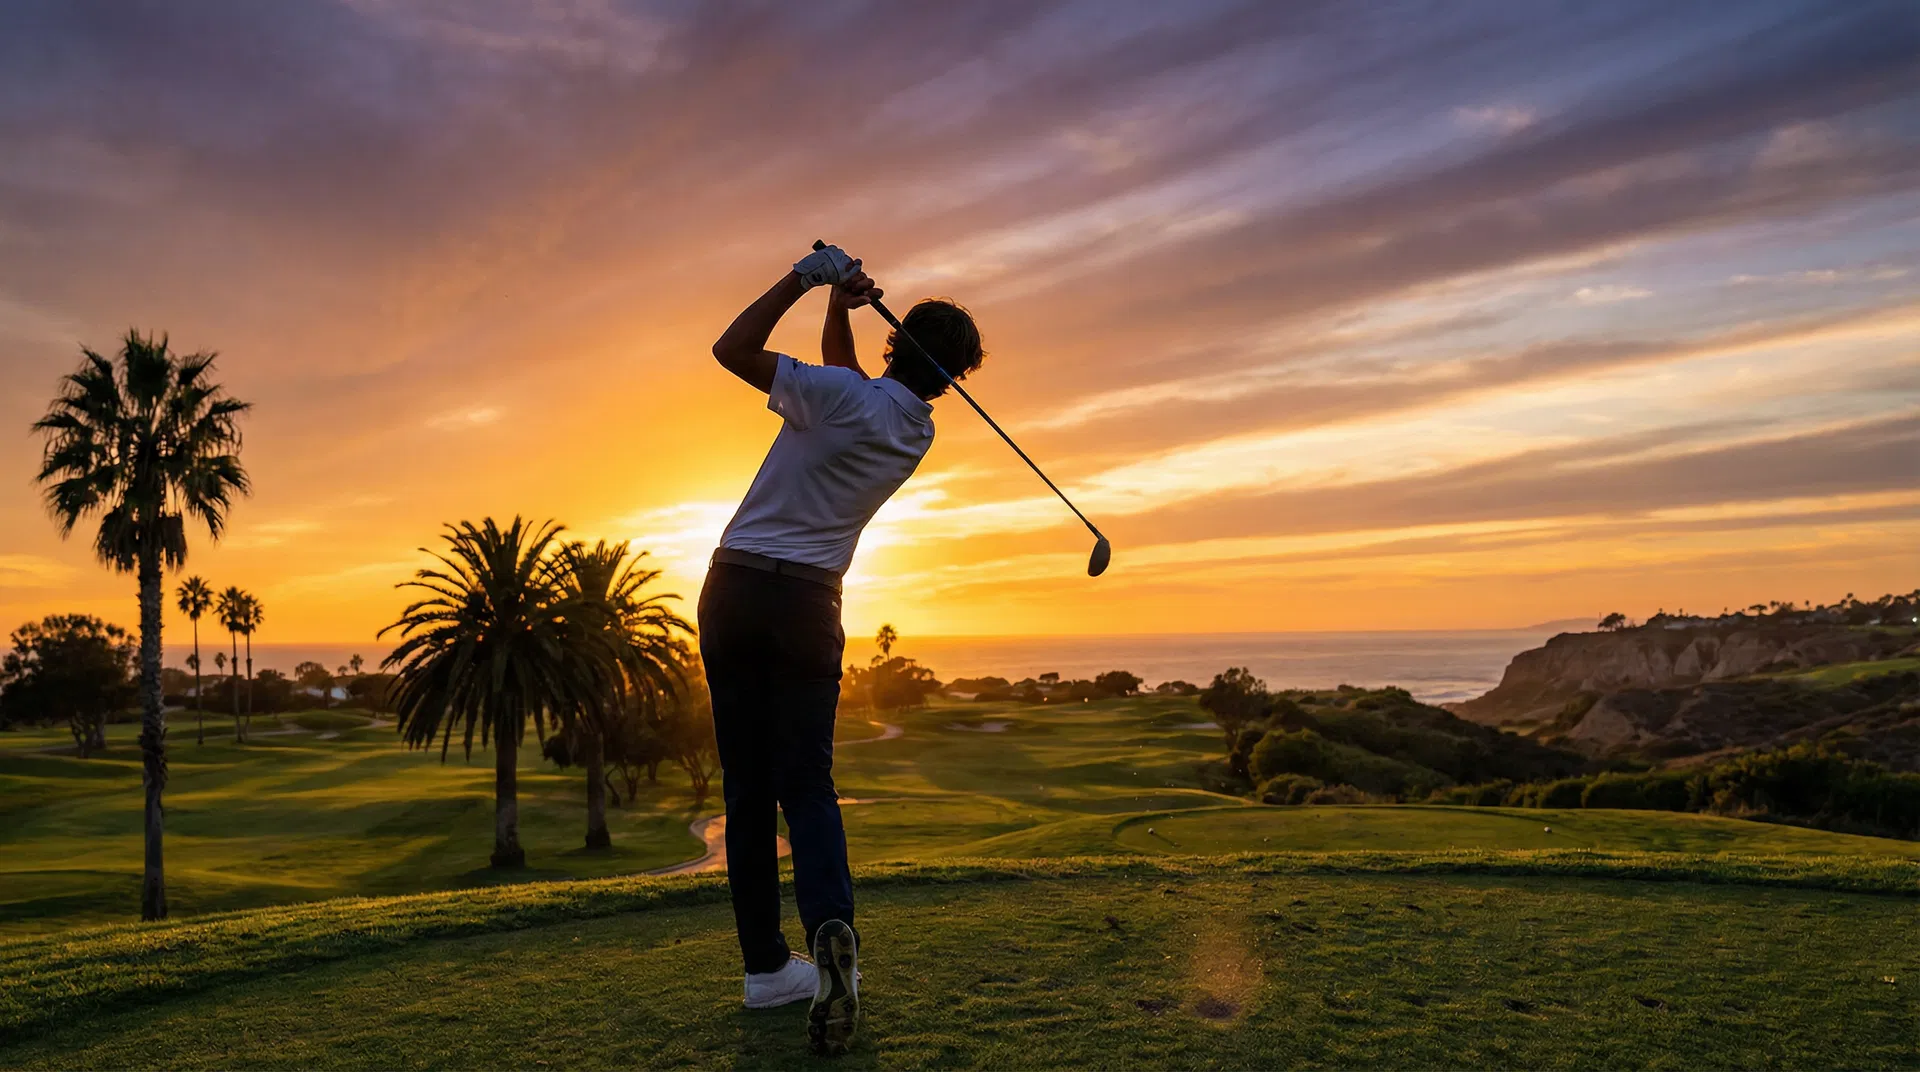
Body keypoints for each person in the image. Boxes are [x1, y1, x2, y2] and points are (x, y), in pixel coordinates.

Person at [702, 243, 985, 1055]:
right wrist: (842, 307)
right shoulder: (914, 431)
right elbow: (844, 382)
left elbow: (730, 352)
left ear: (896, 346)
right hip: (810, 605)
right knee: (809, 786)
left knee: (749, 790)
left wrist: (807, 277)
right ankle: (832, 932)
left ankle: (766, 972)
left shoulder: (840, 398)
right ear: (955, 377)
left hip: (737, 589)